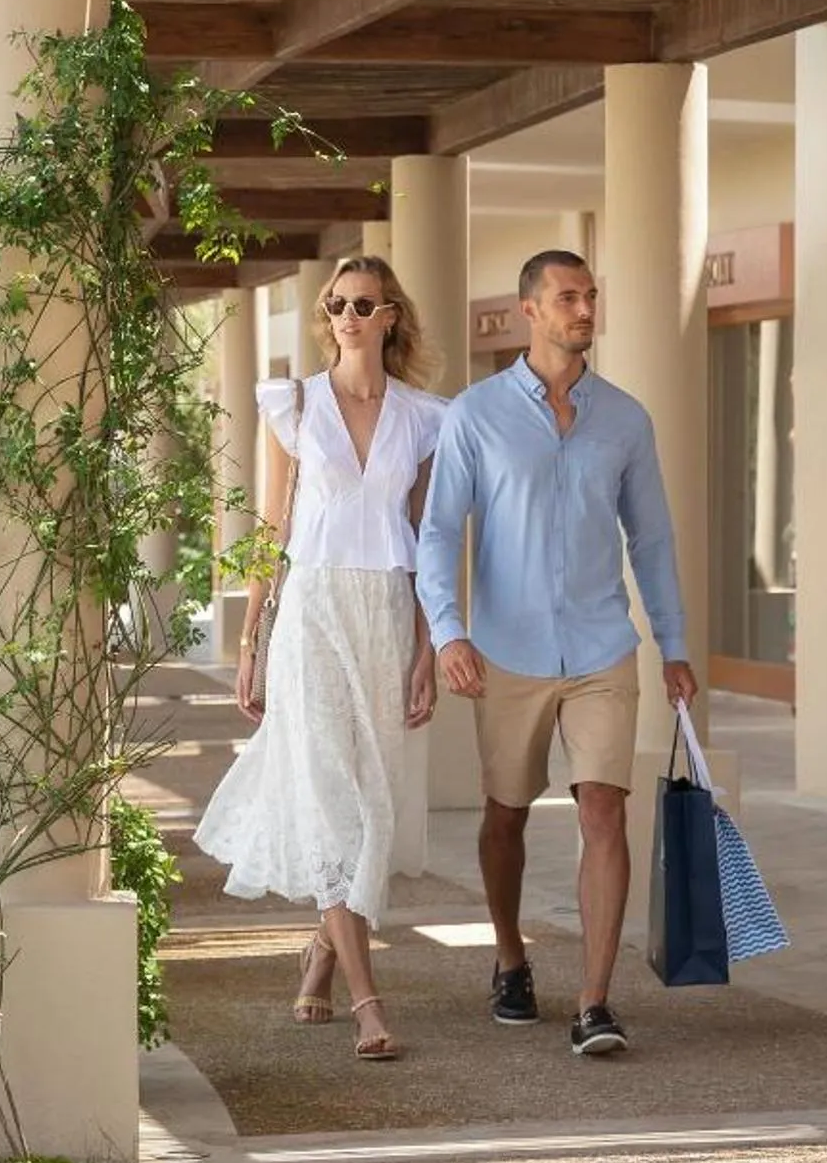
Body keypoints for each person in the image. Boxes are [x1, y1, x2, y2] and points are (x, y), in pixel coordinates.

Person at [418, 250, 697, 1058]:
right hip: (507, 649)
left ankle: (595, 1000)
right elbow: (439, 531)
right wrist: (449, 631)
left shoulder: (625, 418)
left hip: (602, 646)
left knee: (603, 806)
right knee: (505, 813)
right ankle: (510, 956)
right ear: (529, 311)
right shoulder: (475, 414)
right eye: (567, 297)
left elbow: (652, 538)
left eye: (591, 296)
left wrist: (673, 644)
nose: (584, 309)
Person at [194, 257, 445, 1062]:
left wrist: (431, 647)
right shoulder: (295, 403)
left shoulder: (424, 419)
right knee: (331, 794)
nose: (345, 316)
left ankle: (321, 953)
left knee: (374, 802)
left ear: (391, 316)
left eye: (362, 305)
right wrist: (250, 639)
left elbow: (430, 543)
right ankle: (371, 1003)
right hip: (312, 612)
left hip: (385, 616)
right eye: (335, 304)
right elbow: (271, 532)